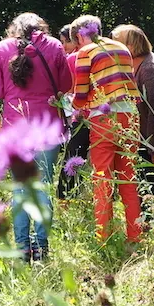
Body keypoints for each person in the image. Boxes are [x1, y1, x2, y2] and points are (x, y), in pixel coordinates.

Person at [0, 12, 71, 261]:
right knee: (43, 186)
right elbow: (65, 85)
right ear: (41, 27)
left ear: (13, 29)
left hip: (15, 129)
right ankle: (41, 248)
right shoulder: (54, 46)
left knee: (20, 189)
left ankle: (22, 248)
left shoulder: (2, 48)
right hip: (47, 127)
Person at [71, 15, 142, 245]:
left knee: (102, 178)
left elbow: (81, 92)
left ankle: (104, 239)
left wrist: (74, 107)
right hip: (130, 116)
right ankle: (135, 237)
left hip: (104, 118)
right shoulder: (122, 48)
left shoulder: (86, 52)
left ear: (80, 35)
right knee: (128, 178)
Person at [111, 24, 154, 218]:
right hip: (150, 141)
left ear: (130, 47)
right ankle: (148, 229)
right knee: (149, 192)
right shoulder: (141, 65)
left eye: (116, 44)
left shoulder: (150, 69)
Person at [56, 24, 90, 202]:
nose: (63, 46)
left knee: (73, 155)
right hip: (97, 113)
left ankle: (66, 197)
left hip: (77, 112)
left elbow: (68, 89)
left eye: (66, 42)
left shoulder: (72, 59)